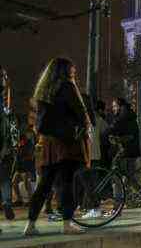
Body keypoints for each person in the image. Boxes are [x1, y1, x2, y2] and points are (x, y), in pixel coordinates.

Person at [24, 57, 91, 235]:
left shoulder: (43, 90)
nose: (73, 73)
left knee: (44, 185)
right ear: (66, 71)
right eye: (72, 70)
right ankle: (67, 224)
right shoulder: (67, 86)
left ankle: (30, 225)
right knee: (67, 183)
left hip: (48, 144)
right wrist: (84, 128)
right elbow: (80, 111)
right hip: (66, 143)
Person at [0, 67, 17, 222]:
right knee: (5, 179)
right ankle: (6, 202)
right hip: (5, 148)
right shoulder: (6, 109)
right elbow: (12, 128)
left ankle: (5, 203)